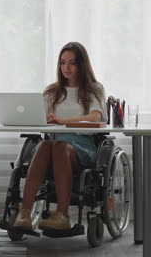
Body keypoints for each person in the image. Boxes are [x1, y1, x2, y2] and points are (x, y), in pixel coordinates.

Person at [13, 42, 107, 231]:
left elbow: (95, 116)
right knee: (46, 145)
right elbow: (40, 118)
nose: (66, 68)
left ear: (82, 65)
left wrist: (62, 120)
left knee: (59, 145)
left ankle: (62, 215)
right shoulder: (51, 92)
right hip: (54, 145)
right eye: (63, 63)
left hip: (82, 147)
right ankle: (25, 213)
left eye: (72, 63)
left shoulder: (94, 89)